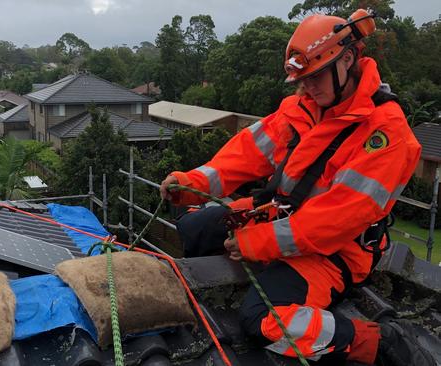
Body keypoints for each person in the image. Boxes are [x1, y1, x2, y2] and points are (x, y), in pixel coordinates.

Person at [160, 9, 435, 366]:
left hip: (335, 253)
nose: (308, 87)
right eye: (303, 79)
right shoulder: (302, 109)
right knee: (191, 228)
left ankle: (376, 342)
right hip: (282, 222)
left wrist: (255, 242)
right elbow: (243, 155)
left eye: (316, 76)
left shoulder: (386, 136)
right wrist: (191, 185)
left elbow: (336, 220)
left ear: (348, 59)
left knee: (261, 321)